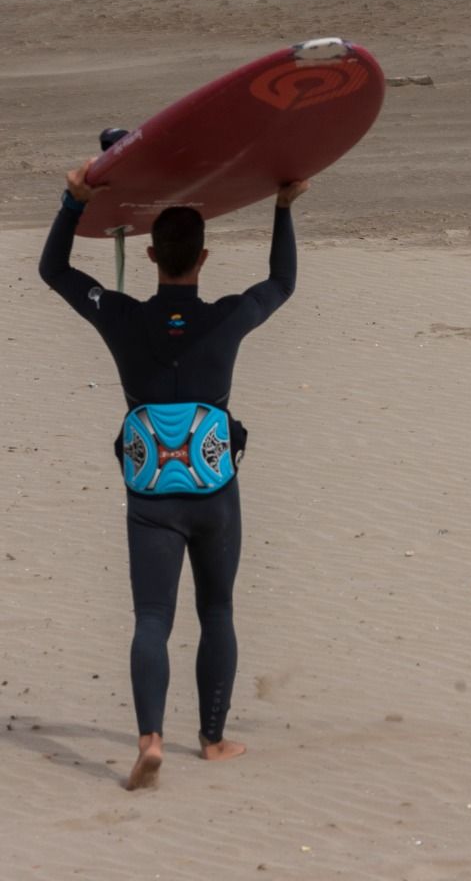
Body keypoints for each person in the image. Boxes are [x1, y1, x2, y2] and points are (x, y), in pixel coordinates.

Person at [38, 161, 308, 791]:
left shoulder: (121, 316)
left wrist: (73, 202)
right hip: (214, 494)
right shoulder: (228, 317)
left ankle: (150, 739)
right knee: (216, 610)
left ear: (152, 252)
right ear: (205, 257)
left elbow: (54, 271)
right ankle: (212, 741)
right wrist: (284, 206)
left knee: (152, 617)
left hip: (151, 496)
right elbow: (283, 282)